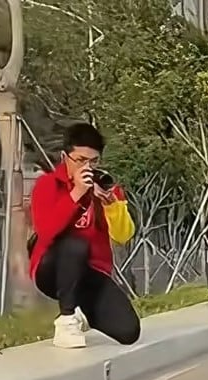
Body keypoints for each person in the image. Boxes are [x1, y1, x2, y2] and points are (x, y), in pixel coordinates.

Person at [29, 122, 139, 349]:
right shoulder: (48, 185)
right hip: (51, 267)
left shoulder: (107, 187)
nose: (87, 167)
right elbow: (46, 232)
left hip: (91, 273)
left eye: (93, 161)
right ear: (64, 156)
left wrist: (111, 206)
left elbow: (123, 236)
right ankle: (66, 319)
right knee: (75, 245)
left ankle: (81, 311)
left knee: (128, 331)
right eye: (80, 160)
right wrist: (76, 193)